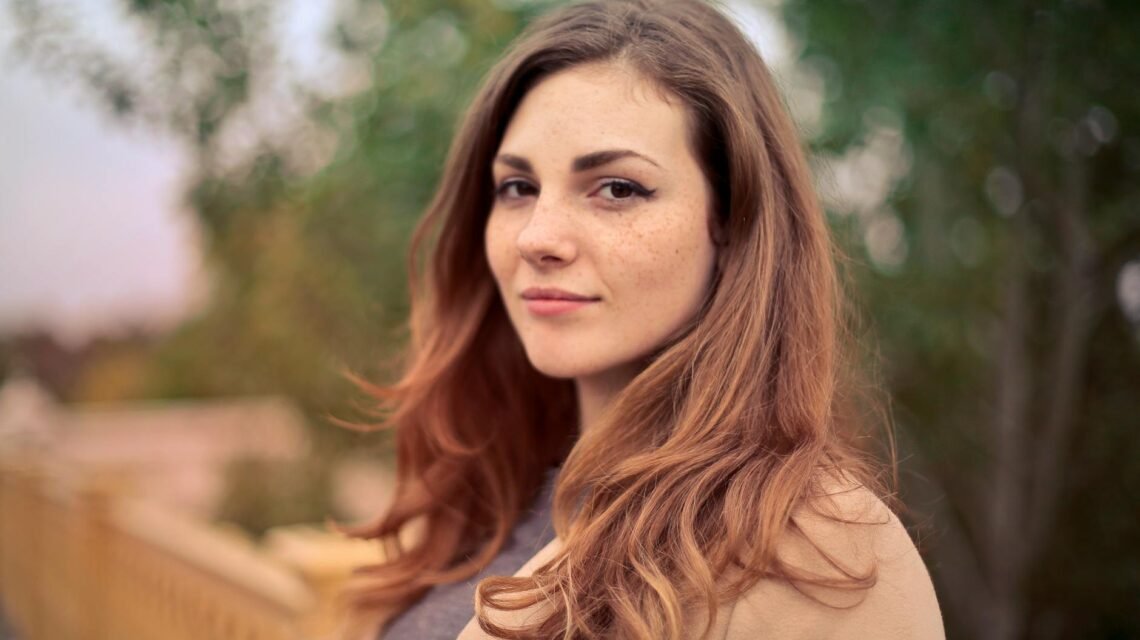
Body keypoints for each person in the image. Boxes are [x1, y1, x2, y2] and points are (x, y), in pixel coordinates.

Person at [344, 0, 944, 638]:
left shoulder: (820, 554)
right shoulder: (490, 504)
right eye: (517, 188)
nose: (537, 237)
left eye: (618, 189)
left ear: (733, 223)